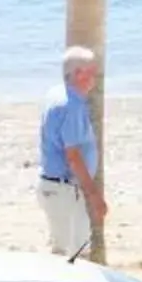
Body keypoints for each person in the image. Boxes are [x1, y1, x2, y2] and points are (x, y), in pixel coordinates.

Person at [38, 45, 107, 256]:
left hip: (55, 187)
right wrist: (94, 194)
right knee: (75, 256)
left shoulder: (56, 94)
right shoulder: (71, 105)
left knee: (63, 251)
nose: (95, 76)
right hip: (64, 190)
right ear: (78, 74)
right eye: (91, 71)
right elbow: (74, 156)